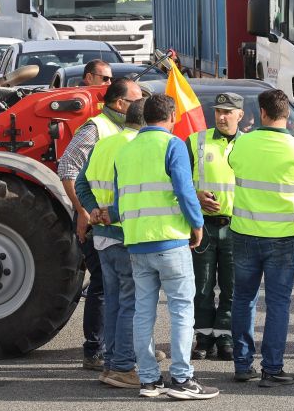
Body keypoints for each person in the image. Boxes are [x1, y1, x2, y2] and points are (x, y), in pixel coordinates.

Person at [112, 93, 218, 400]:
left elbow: (120, 204)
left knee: (142, 312)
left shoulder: (125, 152)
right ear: (170, 117)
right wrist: (197, 225)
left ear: (145, 118)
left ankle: (149, 380)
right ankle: (182, 379)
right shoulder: (172, 145)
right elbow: (185, 192)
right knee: (182, 310)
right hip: (169, 239)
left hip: (136, 243)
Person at [228, 89, 294, 387]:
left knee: (243, 298)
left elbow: (233, 168)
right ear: (287, 114)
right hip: (283, 237)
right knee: (278, 303)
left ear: (261, 113)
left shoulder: (241, 144)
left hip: (244, 233)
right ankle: (272, 368)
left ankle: (242, 364)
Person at [58, 76, 141, 370]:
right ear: (120, 104)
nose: (140, 106)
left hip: (112, 222)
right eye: (136, 100)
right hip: (95, 220)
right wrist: (83, 212)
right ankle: (95, 349)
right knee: (104, 287)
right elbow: (68, 168)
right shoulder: (96, 128)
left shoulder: (121, 130)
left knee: (115, 288)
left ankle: (125, 348)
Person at [73, 99, 144, 388]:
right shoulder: (136, 148)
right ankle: (122, 367)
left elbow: (80, 184)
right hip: (126, 234)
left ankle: (112, 363)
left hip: (103, 237)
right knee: (131, 304)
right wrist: (111, 214)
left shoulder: (105, 143)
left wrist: (94, 213)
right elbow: (131, 193)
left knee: (114, 301)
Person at [186, 93, 244, 360]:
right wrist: (196, 196)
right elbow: (180, 180)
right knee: (203, 285)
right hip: (204, 226)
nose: (221, 116)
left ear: (240, 116)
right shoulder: (196, 141)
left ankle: (225, 336)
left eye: (228, 112)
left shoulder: (250, 145)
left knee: (232, 286)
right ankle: (204, 337)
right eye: (219, 111)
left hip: (237, 226)